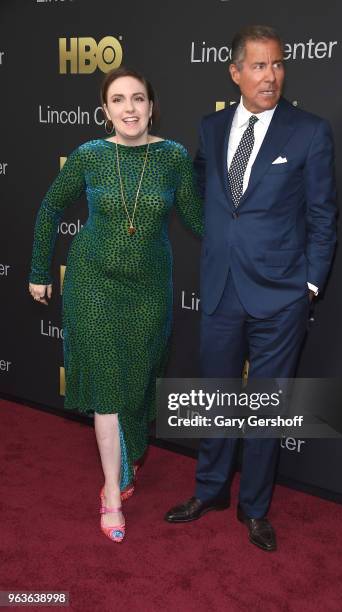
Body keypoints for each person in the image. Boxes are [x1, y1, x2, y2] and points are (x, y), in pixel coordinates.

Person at [165, 25, 337, 552]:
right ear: (235, 72)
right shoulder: (212, 127)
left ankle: (255, 508)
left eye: (279, 65)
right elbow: (201, 187)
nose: (272, 76)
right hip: (220, 288)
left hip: (281, 295)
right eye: (259, 66)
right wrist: (218, 235)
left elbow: (323, 214)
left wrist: (308, 285)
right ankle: (210, 490)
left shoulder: (309, 131)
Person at [29, 66, 203, 543]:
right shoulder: (89, 156)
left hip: (149, 291)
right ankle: (111, 490)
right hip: (93, 286)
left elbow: (199, 219)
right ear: (105, 110)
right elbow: (49, 208)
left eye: (139, 99)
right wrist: (39, 271)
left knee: (137, 382)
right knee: (107, 384)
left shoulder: (171, 158)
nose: (130, 108)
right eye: (119, 100)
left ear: (152, 105)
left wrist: (255, 249)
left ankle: (127, 462)